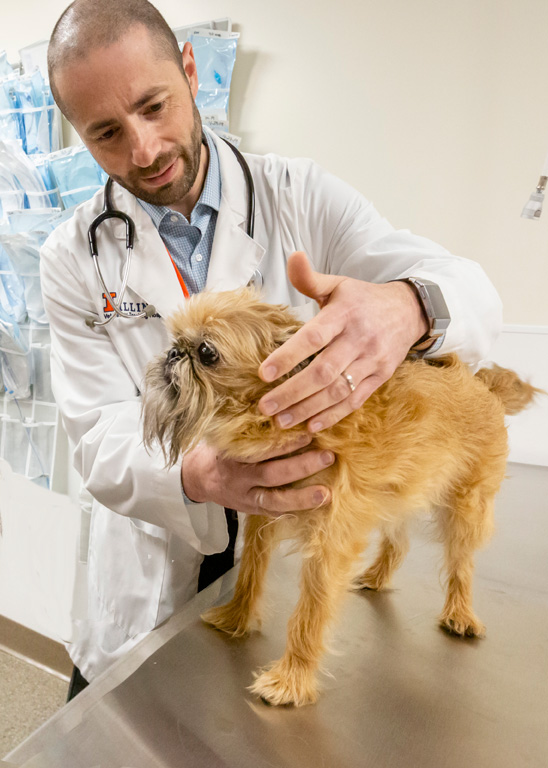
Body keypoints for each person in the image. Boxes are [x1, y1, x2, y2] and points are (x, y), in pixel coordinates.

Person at [42, 0, 502, 687]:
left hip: (300, 537)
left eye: (154, 106)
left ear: (191, 71)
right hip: (152, 562)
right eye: (107, 132)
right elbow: (94, 434)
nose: (143, 150)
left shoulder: (302, 194)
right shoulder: (71, 255)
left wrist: (408, 305)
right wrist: (199, 474)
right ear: (81, 136)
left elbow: (469, 289)